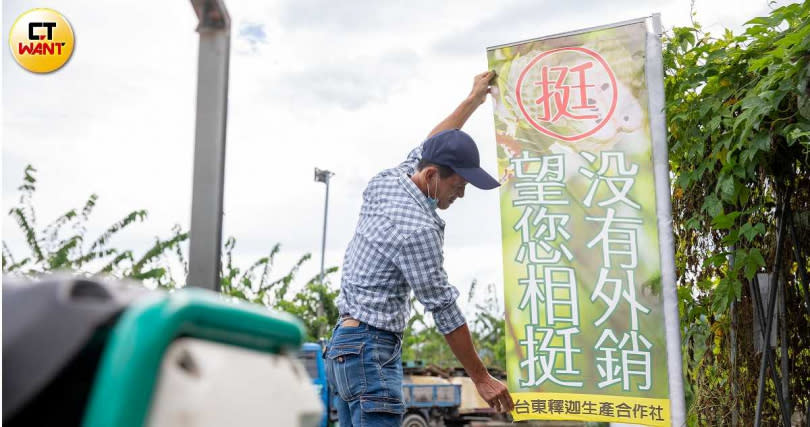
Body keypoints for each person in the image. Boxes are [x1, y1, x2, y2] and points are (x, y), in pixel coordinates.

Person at [325, 71, 514, 426]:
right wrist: (481, 378)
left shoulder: (390, 180)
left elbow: (435, 140)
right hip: (370, 351)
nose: (460, 195)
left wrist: (473, 100)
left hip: (343, 348)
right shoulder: (417, 230)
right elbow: (443, 307)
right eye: (458, 185)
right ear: (432, 176)